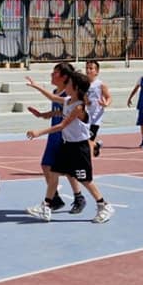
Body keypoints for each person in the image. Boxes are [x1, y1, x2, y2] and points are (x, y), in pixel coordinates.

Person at [26, 69, 115, 224]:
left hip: (79, 148)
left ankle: (104, 206)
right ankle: (46, 206)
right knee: (53, 174)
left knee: (85, 180)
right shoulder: (68, 100)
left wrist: (38, 132)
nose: (66, 85)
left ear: (76, 88)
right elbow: (52, 97)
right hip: (67, 146)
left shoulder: (79, 107)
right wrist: (36, 86)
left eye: (69, 84)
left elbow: (62, 125)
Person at [24, 63, 88, 216]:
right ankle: (55, 199)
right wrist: (41, 115)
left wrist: (36, 86)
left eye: (55, 73)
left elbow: (67, 116)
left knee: (66, 169)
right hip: (54, 133)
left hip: (64, 134)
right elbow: (57, 112)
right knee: (46, 165)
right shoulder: (57, 92)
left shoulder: (68, 95)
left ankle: (78, 197)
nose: (52, 75)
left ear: (64, 77)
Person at [84, 60, 111, 156]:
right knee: (84, 140)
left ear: (97, 71)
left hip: (96, 117)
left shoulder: (100, 85)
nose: (88, 70)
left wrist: (105, 104)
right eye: (87, 68)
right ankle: (96, 145)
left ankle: (86, 162)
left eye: (91, 68)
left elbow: (109, 97)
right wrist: (85, 101)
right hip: (84, 116)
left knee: (88, 140)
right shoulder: (83, 84)